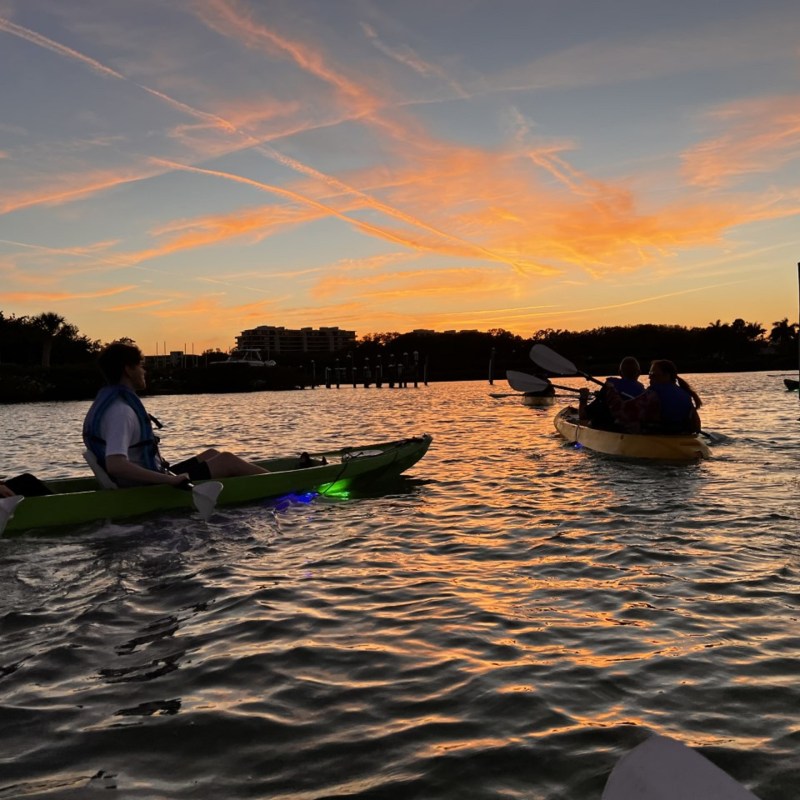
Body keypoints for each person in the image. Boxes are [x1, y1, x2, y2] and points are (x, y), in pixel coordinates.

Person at [83, 341, 270, 488]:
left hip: (147, 479)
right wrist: (170, 481)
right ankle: (283, 484)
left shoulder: (113, 405)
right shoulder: (121, 411)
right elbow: (116, 465)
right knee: (227, 460)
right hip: (144, 487)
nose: (144, 371)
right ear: (128, 369)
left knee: (212, 454)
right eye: (140, 365)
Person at [605, 359, 702, 433]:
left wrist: (611, 390)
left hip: (657, 434)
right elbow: (696, 426)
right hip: (678, 434)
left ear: (666, 375)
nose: (649, 377)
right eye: (649, 373)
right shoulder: (685, 394)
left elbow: (622, 412)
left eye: (652, 374)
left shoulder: (653, 394)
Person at [578, 356, 646, 428]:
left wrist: (583, 398)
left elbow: (583, 416)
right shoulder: (644, 392)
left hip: (610, 428)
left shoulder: (609, 387)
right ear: (639, 373)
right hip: (633, 429)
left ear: (619, 373)